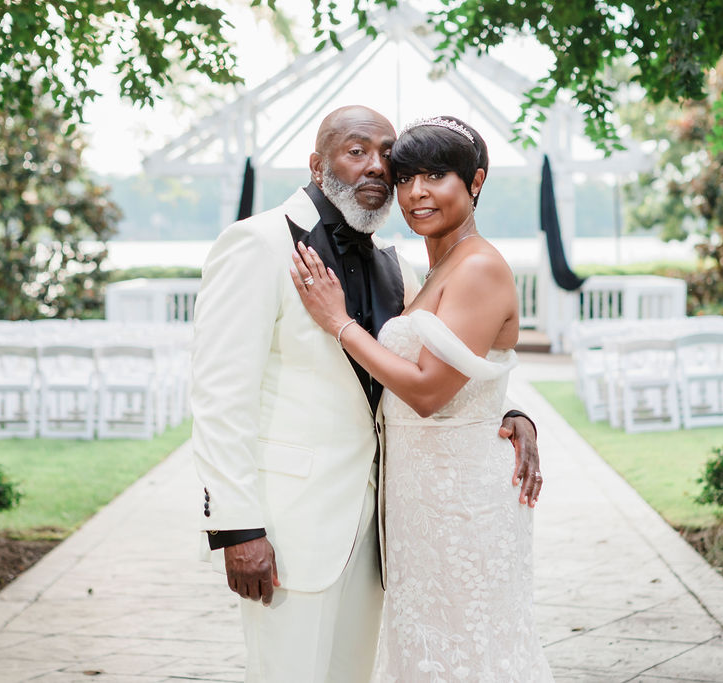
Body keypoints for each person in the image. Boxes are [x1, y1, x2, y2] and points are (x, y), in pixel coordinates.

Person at [191, 105, 543, 682]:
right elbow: (219, 397)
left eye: (387, 155)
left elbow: (438, 364)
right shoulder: (257, 243)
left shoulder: (394, 267)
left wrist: (510, 411)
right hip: (291, 529)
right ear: (317, 164)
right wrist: (237, 526)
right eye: (357, 151)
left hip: (384, 533)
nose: (378, 167)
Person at [290, 115, 554, 681]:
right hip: (419, 500)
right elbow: (472, 368)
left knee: (469, 646)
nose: (416, 192)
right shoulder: (430, 269)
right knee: (426, 647)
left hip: (462, 500)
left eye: (437, 175)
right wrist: (512, 409)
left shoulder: (478, 267)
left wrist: (339, 323)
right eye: (406, 177)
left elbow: (430, 392)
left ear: (475, 182)